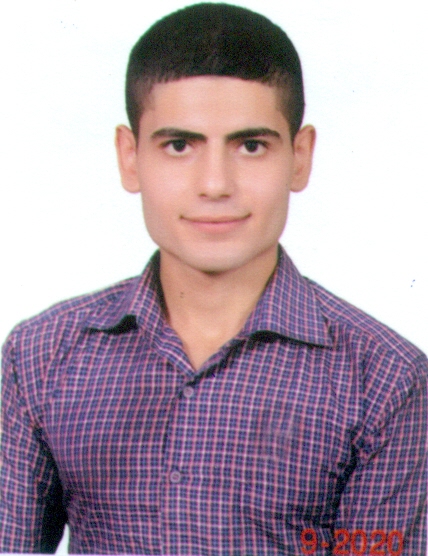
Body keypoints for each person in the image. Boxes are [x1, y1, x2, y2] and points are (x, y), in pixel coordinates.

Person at [1, 3, 426, 555]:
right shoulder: (41, 355)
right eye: (179, 145)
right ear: (130, 157)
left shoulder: (386, 381)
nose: (215, 184)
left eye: (251, 146)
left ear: (300, 157)